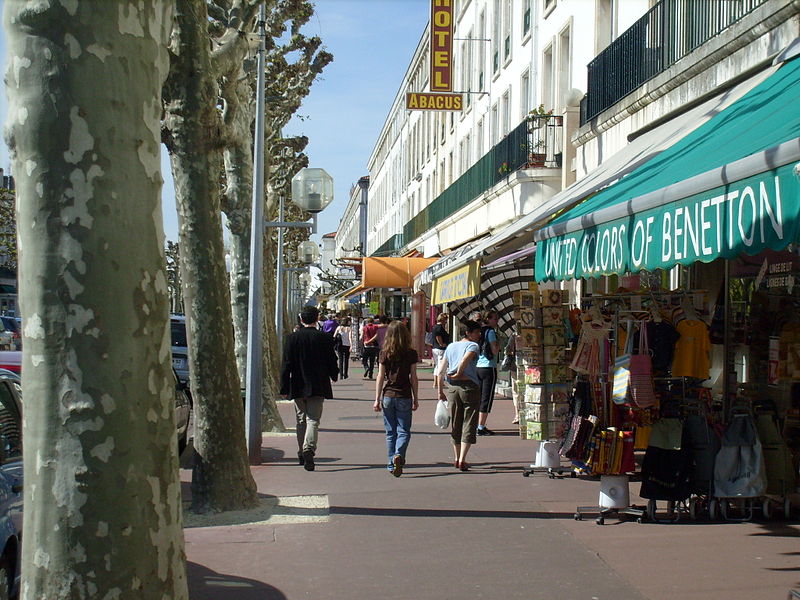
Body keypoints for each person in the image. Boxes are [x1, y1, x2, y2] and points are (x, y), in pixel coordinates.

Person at [280, 306, 339, 471]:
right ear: (316, 318)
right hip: (318, 384)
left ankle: (301, 452)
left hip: (297, 384)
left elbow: (286, 364)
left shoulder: (292, 338)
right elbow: (331, 361)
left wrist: (284, 387)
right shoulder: (325, 338)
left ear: (301, 319)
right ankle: (309, 449)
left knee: (300, 420)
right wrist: (334, 375)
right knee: (313, 420)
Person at [373, 321, 419, 477]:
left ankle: (391, 463)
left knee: (390, 432)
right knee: (404, 431)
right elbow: (414, 377)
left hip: (388, 396)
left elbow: (380, 376)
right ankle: (398, 454)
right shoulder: (411, 353)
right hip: (404, 395)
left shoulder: (384, 352)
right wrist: (416, 398)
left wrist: (377, 399)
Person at [437, 320, 482, 471]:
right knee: (469, 421)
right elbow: (465, 359)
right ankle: (463, 459)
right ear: (468, 333)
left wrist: (440, 390)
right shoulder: (473, 346)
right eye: (477, 332)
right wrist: (459, 372)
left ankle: (456, 458)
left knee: (456, 421)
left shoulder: (451, 346)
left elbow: (441, 369)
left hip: (452, 388)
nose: (479, 335)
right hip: (469, 386)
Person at [476, 310, 500, 436]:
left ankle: (477, 424)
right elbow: (495, 350)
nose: (497, 322)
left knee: (478, 396)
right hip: (489, 367)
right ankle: (481, 426)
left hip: (478, 366)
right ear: (488, 319)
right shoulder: (491, 332)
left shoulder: (479, 331)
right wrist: (498, 345)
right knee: (487, 397)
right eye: (495, 319)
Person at [431, 313, 451, 390]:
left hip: (435, 348)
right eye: (445, 320)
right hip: (440, 349)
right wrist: (442, 344)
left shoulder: (435, 327)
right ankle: (440, 383)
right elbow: (438, 336)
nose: (446, 322)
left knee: (437, 366)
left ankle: (435, 383)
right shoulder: (439, 328)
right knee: (441, 367)